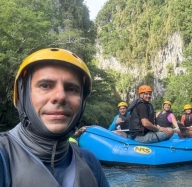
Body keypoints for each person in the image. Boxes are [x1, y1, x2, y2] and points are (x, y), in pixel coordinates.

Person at [0, 48, 110, 186]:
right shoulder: (3, 156)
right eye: (45, 86)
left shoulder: (89, 160)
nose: (60, 97)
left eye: (71, 89)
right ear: (23, 95)